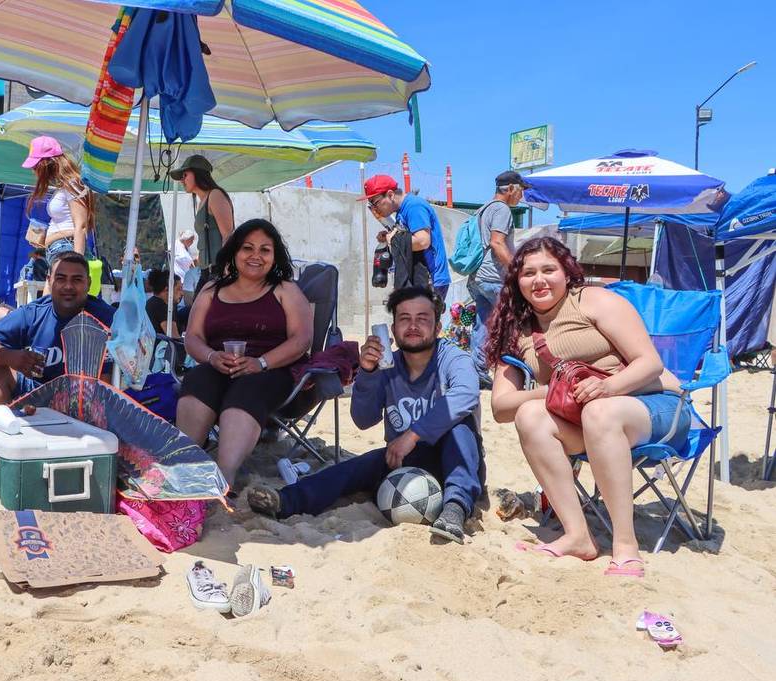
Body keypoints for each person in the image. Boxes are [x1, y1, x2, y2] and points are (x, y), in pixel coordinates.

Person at [486, 237, 689, 576]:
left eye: (549, 270)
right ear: (516, 280)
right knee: (529, 416)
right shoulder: (517, 330)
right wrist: (555, 390)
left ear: (567, 272)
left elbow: (649, 363)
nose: (539, 280)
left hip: (655, 406)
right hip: (590, 423)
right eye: (528, 273)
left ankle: (625, 545)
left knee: (600, 410)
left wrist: (607, 386)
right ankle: (578, 536)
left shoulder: (593, 301)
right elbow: (501, 407)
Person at [247, 286, 484, 543]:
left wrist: (412, 435)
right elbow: (363, 419)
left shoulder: (453, 358)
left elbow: (467, 394)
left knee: (461, 426)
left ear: (438, 327)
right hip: (403, 462)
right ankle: (286, 501)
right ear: (393, 330)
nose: (413, 326)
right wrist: (368, 373)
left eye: (422, 319)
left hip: (454, 462)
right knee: (354, 467)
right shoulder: (388, 366)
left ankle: (455, 509)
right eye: (404, 319)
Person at [176, 219, 312, 489]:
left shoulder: (285, 290)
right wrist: (212, 357)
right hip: (220, 365)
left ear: (275, 257)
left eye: (265, 250)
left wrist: (261, 363)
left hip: (273, 369)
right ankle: (182, 467)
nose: (256, 256)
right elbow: (193, 337)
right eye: (247, 248)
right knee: (199, 379)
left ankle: (224, 477)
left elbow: (301, 339)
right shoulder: (212, 290)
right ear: (235, 252)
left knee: (248, 389)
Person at [0, 252, 116, 409]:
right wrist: (12, 357)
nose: (68, 286)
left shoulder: (110, 318)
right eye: (60, 279)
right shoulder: (34, 314)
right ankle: (0, 429)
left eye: (77, 280)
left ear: (88, 283)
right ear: (49, 281)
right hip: (38, 395)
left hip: (90, 401)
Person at [470, 171, 529, 386]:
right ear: (511, 188)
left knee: (484, 324)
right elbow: (497, 243)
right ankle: (516, 372)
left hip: (479, 276)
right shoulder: (502, 210)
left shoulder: (483, 209)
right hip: (494, 277)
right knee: (516, 322)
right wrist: (517, 270)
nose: (521, 196)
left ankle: (477, 372)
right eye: (521, 190)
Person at [361, 174, 450, 303]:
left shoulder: (414, 207)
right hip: (420, 278)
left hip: (431, 279)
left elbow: (422, 241)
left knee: (424, 322)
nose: (375, 208)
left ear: (390, 195)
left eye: (376, 202)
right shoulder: (401, 212)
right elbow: (406, 237)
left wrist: (393, 240)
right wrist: (388, 237)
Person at [23, 136, 92, 263]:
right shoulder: (65, 186)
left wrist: (77, 263)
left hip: (66, 251)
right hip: (60, 249)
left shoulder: (73, 183)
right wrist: (47, 240)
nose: (34, 171)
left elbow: (81, 226)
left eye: (35, 166)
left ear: (46, 163)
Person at [171, 155, 234, 288]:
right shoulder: (201, 202)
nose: (182, 180)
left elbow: (228, 235)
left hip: (218, 271)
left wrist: (226, 270)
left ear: (198, 173)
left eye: (185, 175)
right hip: (206, 272)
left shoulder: (215, 195)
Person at [145, 268, 185, 337]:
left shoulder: (154, 302)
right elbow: (174, 337)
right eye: (179, 289)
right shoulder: (160, 306)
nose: (182, 293)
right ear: (167, 289)